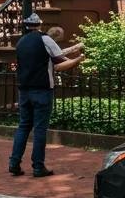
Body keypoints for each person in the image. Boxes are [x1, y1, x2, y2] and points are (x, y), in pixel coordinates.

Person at [8, 13, 83, 177]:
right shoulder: (45, 39)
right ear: (39, 25)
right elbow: (60, 64)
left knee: (23, 126)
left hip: (23, 91)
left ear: (26, 26)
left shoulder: (20, 42)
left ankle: (14, 163)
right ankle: (38, 166)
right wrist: (79, 59)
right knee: (40, 129)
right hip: (42, 90)